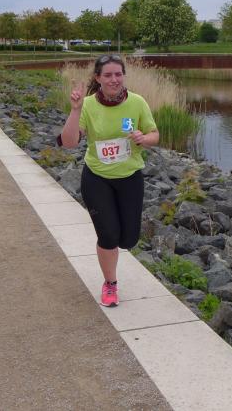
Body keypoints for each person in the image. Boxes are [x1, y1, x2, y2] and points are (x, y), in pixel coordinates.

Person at [60, 54, 159, 307]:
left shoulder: (137, 102)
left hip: (130, 178)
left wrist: (143, 139)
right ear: (98, 78)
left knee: (128, 240)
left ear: (123, 76)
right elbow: (69, 143)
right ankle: (110, 284)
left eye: (118, 74)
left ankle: (118, 253)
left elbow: (154, 135)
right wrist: (75, 110)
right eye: (108, 75)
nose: (114, 79)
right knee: (108, 236)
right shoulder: (88, 105)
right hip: (97, 178)